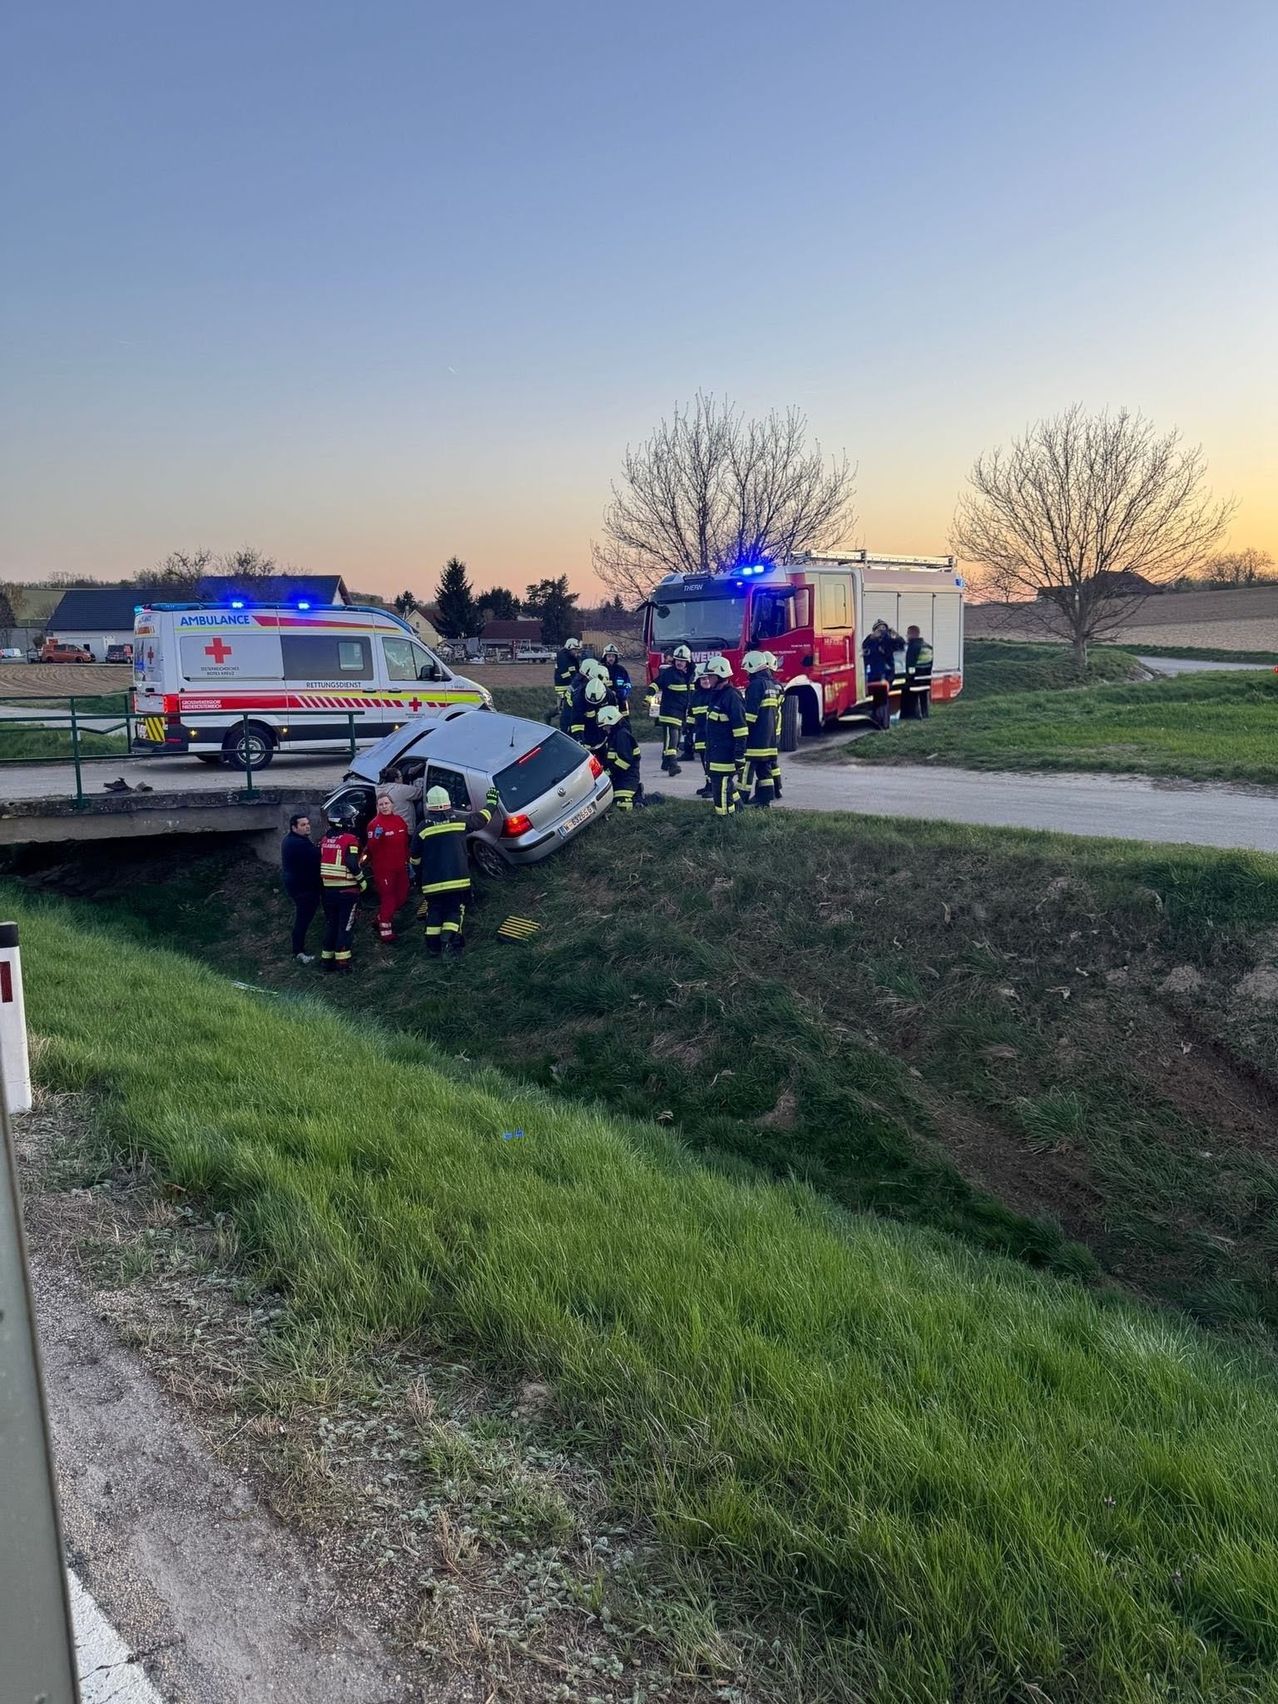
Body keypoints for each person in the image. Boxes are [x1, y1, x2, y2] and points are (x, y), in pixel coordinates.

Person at [410, 783, 500, 957]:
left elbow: (415, 858)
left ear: (429, 806)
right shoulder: (459, 822)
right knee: (454, 910)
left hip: (431, 885)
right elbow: (481, 819)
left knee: (434, 910)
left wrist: (420, 876)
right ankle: (450, 942)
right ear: (448, 803)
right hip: (457, 880)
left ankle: (433, 947)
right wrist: (492, 802)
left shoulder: (422, 829)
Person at [319, 804, 368, 973]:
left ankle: (326, 961)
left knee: (331, 925)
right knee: (345, 927)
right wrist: (362, 881)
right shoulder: (350, 839)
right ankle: (342, 964)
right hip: (347, 891)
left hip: (328, 892)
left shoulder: (325, 839)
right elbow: (352, 863)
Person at [701, 656, 748, 817]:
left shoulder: (731, 697)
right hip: (715, 751)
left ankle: (723, 819)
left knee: (719, 786)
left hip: (725, 753)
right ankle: (739, 812)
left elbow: (740, 729)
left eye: (711, 676)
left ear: (721, 675)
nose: (708, 679)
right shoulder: (717, 695)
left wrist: (739, 754)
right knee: (726, 785)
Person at [363, 793, 412, 942]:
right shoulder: (374, 824)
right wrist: (376, 838)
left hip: (400, 867)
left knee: (402, 896)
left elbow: (405, 844)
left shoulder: (400, 821)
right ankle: (385, 930)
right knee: (388, 898)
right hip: (384, 869)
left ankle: (380, 918)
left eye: (386, 803)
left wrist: (409, 861)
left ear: (392, 804)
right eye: (381, 804)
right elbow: (371, 848)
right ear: (377, 807)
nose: (384, 806)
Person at [280, 812, 322, 963]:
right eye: (303, 825)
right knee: (303, 919)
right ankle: (298, 952)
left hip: (297, 886)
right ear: (294, 827)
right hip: (303, 889)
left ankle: (298, 950)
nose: (307, 826)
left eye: (308, 823)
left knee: (303, 918)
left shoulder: (290, 840)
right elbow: (318, 856)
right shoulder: (299, 843)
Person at [741, 650, 780, 807]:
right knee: (765, 770)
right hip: (769, 737)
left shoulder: (755, 685)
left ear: (752, 666)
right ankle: (765, 799)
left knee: (747, 768)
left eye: (747, 670)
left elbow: (750, 714)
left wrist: (743, 732)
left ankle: (742, 797)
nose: (746, 673)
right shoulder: (771, 684)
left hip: (756, 737)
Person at [654, 645, 694, 775]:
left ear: (687, 661)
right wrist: (648, 697)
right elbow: (655, 684)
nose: (679, 663)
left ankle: (666, 762)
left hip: (681, 712)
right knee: (673, 737)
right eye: (677, 660)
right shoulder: (669, 673)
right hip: (669, 712)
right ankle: (672, 764)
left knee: (673, 740)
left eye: (682, 661)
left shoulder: (690, 675)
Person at [597, 704, 642, 809]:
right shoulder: (615, 736)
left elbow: (624, 761)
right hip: (620, 777)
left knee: (623, 806)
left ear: (612, 721)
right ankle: (638, 797)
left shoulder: (622, 735)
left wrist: (609, 772)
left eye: (605, 725)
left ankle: (644, 800)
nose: (604, 728)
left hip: (627, 778)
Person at [862, 620, 897, 732]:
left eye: (883, 628)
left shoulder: (888, 640)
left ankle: (884, 723)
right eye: (879, 629)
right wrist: (871, 637)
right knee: (877, 699)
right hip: (873, 674)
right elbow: (864, 648)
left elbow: (900, 645)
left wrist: (895, 636)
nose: (882, 631)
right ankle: (878, 720)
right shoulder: (871, 642)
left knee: (883, 698)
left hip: (886, 674)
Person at [764, 652, 784, 798]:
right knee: (773, 760)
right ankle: (777, 787)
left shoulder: (767, 686)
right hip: (776, 727)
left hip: (768, 728)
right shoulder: (778, 686)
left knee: (766, 762)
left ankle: (771, 790)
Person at [903, 625, 934, 719]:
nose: (907, 636)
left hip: (915, 677)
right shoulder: (928, 646)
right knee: (924, 697)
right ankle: (925, 715)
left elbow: (910, 663)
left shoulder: (913, 647)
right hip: (926, 676)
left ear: (912, 634)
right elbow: (930, 662)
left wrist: (908, 676)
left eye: (908, 634)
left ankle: (916, 715)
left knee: (914, 697)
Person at [600, 643, 632, 717]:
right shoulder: (600, 670)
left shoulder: (621, 670)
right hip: (604, 703)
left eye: (613, 656)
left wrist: (620, 693)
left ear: (616, 657)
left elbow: (628, 685)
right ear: (605, 657)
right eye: (609, 656)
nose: (611, 658)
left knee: (624, 723)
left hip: (621, 703)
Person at [554, 636, 582, 718]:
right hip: (562, 684)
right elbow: (564, 673)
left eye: (577, 650)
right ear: (569, 648)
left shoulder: (572, 657)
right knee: (564, 704)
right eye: (575, 650)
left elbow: (577, 670)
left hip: (570, 683)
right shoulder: (562, 657)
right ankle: (557, 716)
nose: (576, 652)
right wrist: (574, 681)